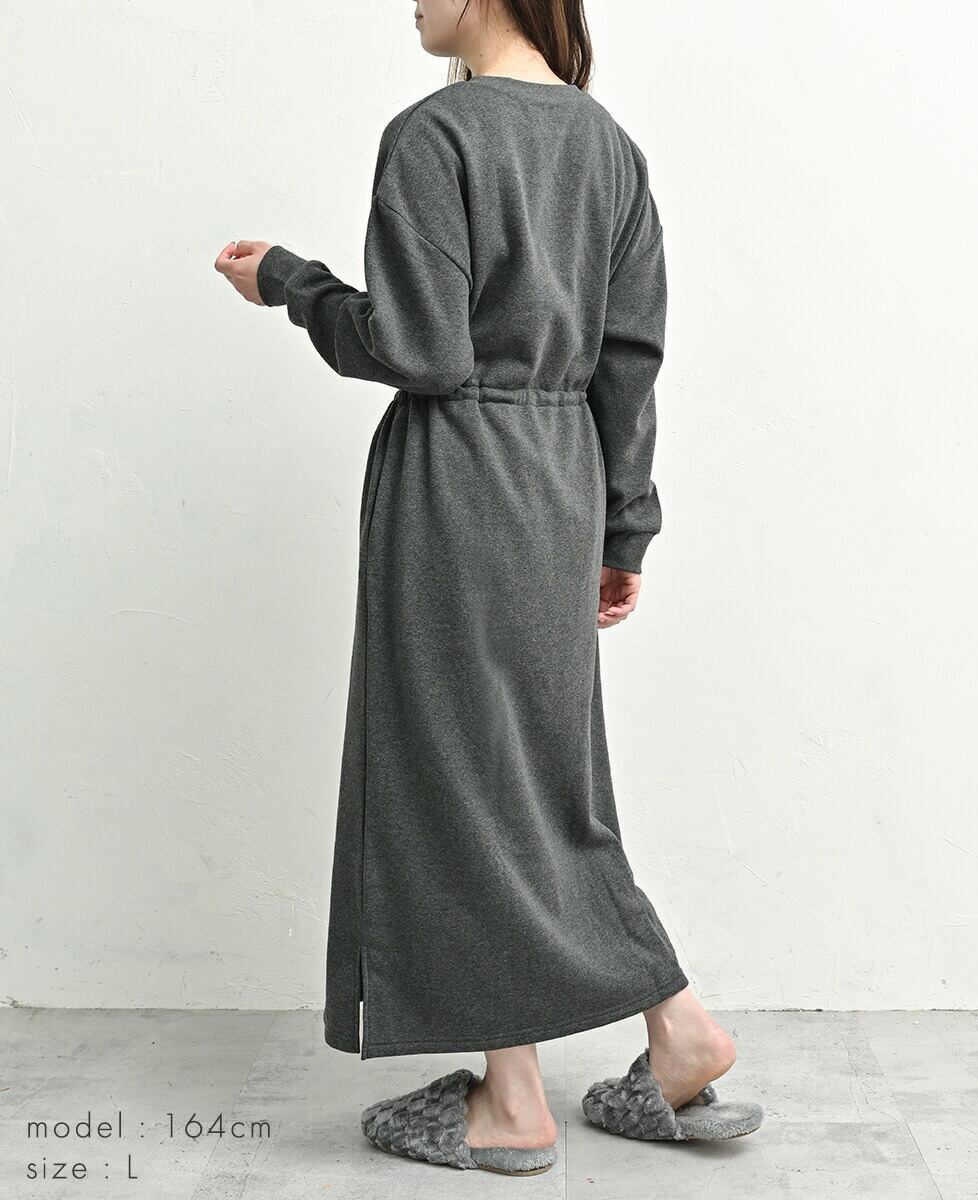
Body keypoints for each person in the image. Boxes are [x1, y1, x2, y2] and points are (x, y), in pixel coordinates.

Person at [216, 0, 762, 1176]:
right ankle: (653, 1039)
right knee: (535, 779)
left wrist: (291, 284)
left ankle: (532, 1094)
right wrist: (623, 526)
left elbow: (421, 350)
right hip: (561, 480)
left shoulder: (436, 134)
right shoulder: (607, 146)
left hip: (458, 484)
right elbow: (629, 360)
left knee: (457, 778)